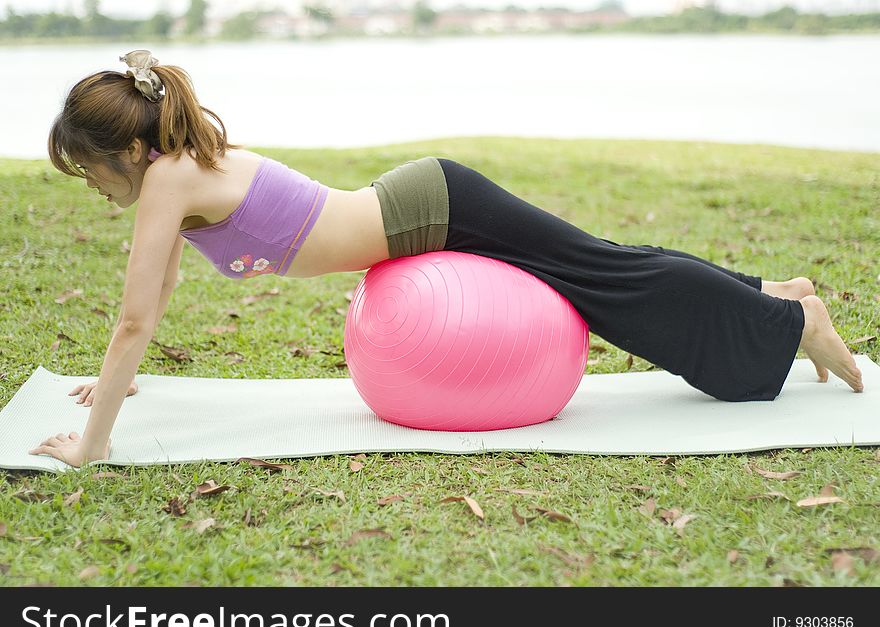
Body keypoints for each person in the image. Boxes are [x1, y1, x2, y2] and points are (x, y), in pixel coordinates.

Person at [29, 50, 864, 467]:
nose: (93, 187)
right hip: (422, 208)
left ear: (127, 153)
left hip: (431, 210)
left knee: (608, 281)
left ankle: (789, 320)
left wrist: (92, 444)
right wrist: (114, 382)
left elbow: (136, 315)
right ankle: (772, 292)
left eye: (89, 170)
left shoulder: (169, 176)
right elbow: (158, 294)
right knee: (605, 263)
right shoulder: (178, 172)